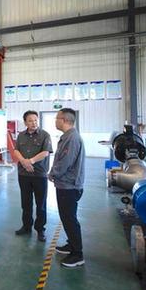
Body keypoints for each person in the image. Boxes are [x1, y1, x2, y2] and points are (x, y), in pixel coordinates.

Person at [48, 108, 86, 268]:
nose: (55, 121)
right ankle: (72, 244)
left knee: (69, 219)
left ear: (64, 120)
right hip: (66, 184)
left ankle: (77, 254)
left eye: (57, 118)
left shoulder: (72, 138)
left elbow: (65, 162)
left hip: (69, 186)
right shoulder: (68, 136)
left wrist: (52, 173)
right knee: (67, 217)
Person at [14, 110, 53, 242]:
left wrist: (30, 161)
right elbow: (16, 150)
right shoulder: (21, 136)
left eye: (35, 120)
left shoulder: (45, 135)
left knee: (40, 204)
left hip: (39, 174)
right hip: (23, 174)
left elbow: (46, 152)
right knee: (26, 203)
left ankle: (40, 229)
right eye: (30, 120)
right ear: (25, 122)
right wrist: (23, 162)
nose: (34, 123)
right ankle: (26, 227)